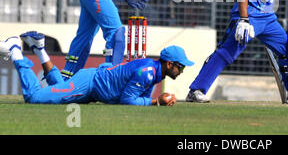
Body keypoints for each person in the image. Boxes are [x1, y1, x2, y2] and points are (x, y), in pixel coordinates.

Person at [0, 31, 194, 106]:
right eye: (180, 67)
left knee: (59, 88)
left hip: (93, 89)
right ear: (169, 64)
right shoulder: (148, 72)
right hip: (89, 83)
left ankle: (40, 49)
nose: (182, 70)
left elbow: (134, 98)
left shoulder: (154, 72)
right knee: (34, 98)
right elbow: (127, 100)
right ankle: (16, 51)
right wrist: (156, 102)